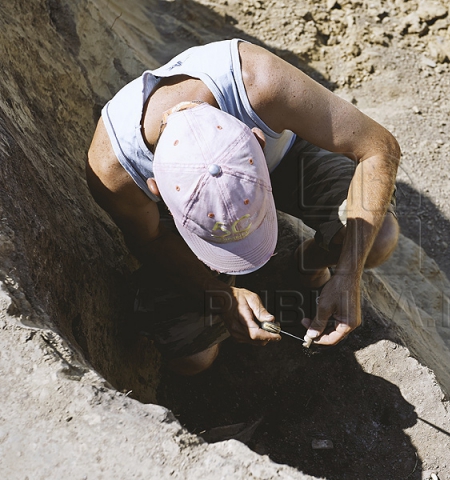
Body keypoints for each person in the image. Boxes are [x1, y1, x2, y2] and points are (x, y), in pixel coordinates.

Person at [86, 39, 400, 375]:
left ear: (258, 137)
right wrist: (219, 295)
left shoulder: (260, 82)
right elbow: (148, 240)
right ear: (155, 188)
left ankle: (308, 263)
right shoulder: (114, 171)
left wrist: (349, 272)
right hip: (226, 186)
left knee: (375, 240)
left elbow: (379, 147)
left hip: (288, 160)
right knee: (193, 359)